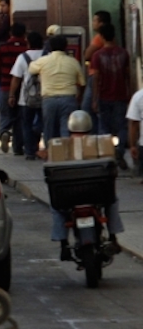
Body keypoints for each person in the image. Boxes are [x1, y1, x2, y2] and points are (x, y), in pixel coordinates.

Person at [50, 111, 123, 262]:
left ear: (70, 127)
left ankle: (63, 243)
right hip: (97, 195)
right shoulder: (98, 145)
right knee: (112, 202)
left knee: (56, 208)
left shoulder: (61, 146)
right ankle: (113, 236)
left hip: (69, 197)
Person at [28, 34, 85, 144]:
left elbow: (31, 69)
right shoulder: (73, 62)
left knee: (49, 129)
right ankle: (65, 153)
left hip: (49, 100)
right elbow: (82, 83)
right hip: (69, 99)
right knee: (66, 128)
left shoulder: (43, 61)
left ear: (49, 47)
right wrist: (79, 98)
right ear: (66, 47)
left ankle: (51, 153)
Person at [90, 24, 131, 169]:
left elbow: (96, 78)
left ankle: (109, 156)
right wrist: (129, 93)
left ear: (101, 37)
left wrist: (94, 99)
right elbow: (127, 76)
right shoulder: (123, 53)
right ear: (114, 36)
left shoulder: (97, 55)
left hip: (103, 96)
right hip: (120, 95)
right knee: (122, 127)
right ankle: (119, 151)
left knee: (104, 128)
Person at [0, 22, 28, 155]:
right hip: (23, 89)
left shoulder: (2, 48)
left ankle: (4, 132)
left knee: (6, 114)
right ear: (24, 34)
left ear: (11, 34)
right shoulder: (26, 48)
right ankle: (18, 148)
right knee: (19, 119)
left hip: (5, 86)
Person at [9, 31, 45, 160]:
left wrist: (12, 95)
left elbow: (16, 78)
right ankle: (38, 135)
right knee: (42, 122)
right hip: (44, 96)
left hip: (26, 98)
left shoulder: (22, 57)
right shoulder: (47, 55)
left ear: (28, 43)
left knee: (26, 124)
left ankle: (30, 151)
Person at [82, 10, 112, 134]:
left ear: (101, 23)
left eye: (95, 20)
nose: (92, 23)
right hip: (102, 75)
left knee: (88, 107)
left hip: (95, 75)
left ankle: (97, 135)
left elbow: (87, 55)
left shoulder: (99, 38)